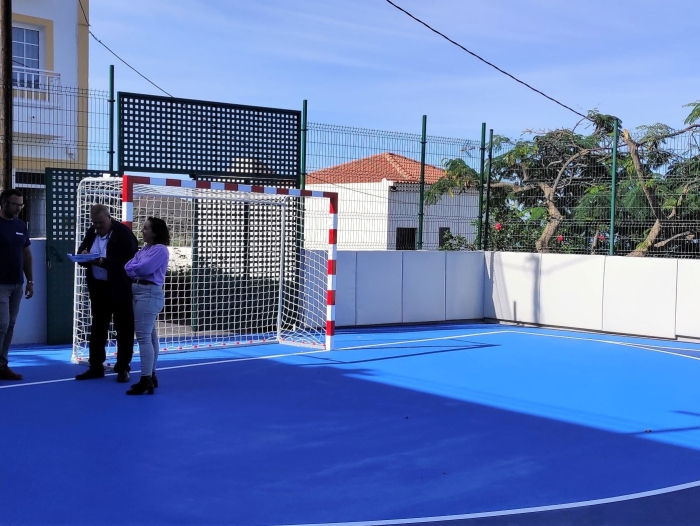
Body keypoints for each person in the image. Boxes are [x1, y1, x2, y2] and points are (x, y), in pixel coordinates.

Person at [75, 204, 138, 382]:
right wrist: (83, 255)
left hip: (120, 288)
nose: (98, 226)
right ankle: (95, 366)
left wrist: (103, 262)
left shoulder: (124, 234)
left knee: (124, 329)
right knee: (98, 329)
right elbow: (81, 253)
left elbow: (130, 262)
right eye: (95, 223)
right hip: (99, 288)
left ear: (109, 218)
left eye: (101, 222)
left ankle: (123, 368)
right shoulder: (92, 232)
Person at [124, 217, 170, 395]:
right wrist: (136, 266)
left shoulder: (160, 250)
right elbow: (129, 266)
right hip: (140, 293)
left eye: (146, 228)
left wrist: (136, 266)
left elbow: (143, 269)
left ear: (155, 232)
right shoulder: (145, 249)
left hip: (149, 294)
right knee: (150, 335)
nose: (142, 231)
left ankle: (146, 378)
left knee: (144, 337)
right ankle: (150, 375)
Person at [0, 189, 33, 381]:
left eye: (21, 205)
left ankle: (2, 365)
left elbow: (27, 254)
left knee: (10, 325)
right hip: (0, 285)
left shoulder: (21, 225)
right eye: (15, 204)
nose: (19, 208)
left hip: (16, 285)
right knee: (2, 324)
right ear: (4, 203)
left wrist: (30, 280)